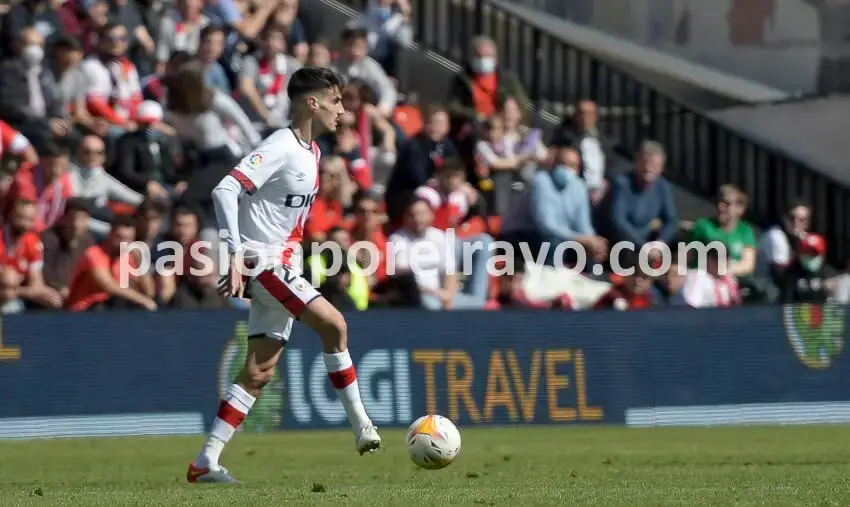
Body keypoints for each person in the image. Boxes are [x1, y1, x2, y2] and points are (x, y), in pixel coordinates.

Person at [188, 67, 381, 484]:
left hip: (284, 263)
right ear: (312, 103)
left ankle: (206, 460)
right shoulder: (279, 145)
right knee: (335, 325)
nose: (342, 111)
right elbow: (225, 189)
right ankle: (362, 426)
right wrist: (237, 253)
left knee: (259, 372)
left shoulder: (310, 153)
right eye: (335, 101)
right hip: (263, 260)